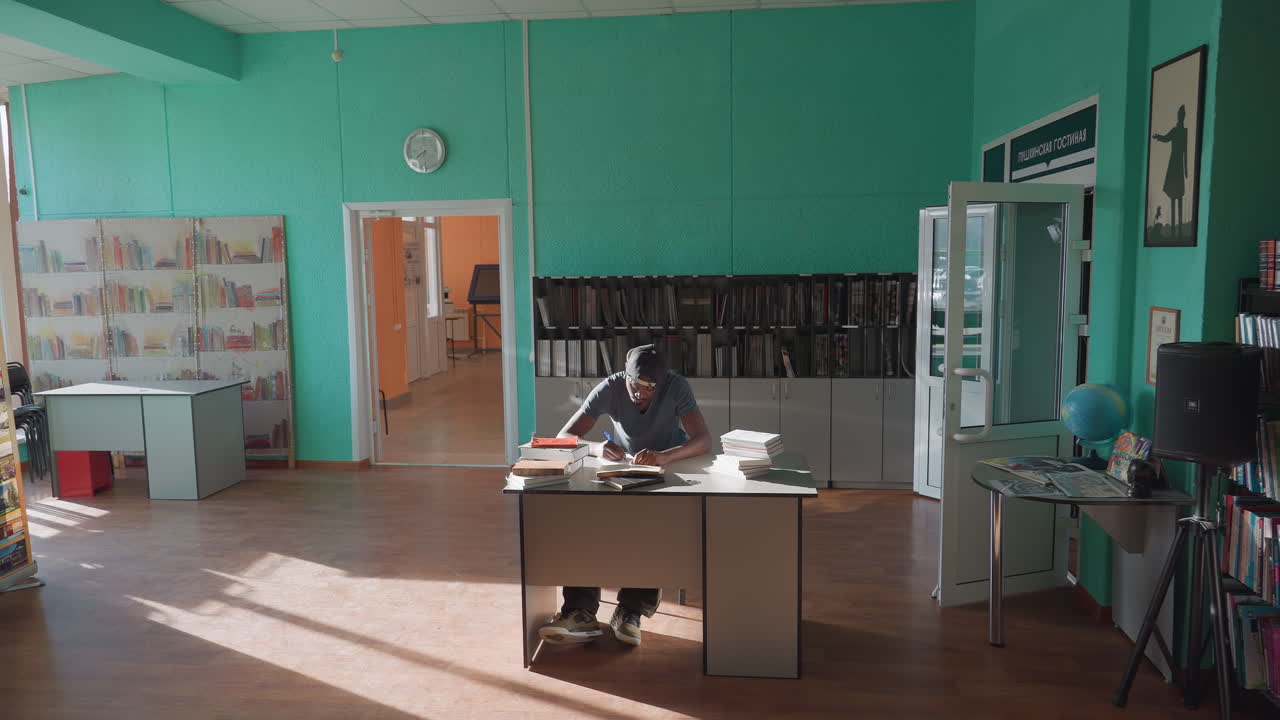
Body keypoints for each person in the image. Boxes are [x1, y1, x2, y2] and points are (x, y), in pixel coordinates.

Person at [538, 344, 711, 648]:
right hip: (626, 468)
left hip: (669, 466)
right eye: (635, 383)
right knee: (583, 521)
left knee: (651, 526)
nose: (640, 393)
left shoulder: (677, 386)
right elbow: (565, 435)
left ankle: (630, 612)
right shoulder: (612, 386)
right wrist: (595, 448)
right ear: (626, 375)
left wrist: (665, 457)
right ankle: (580, 612)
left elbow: (703, 439)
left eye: (649, 388)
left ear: (662, 382)